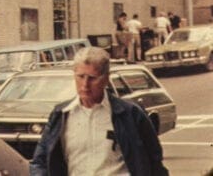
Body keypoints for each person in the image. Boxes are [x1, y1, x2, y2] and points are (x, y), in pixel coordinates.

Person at [29, 47, 168, 176]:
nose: (85, 85)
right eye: (80, 76)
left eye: (92, 78)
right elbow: (39, 161)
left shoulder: (131, 114)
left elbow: (154, 162)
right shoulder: (61, 115)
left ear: (106, 79)